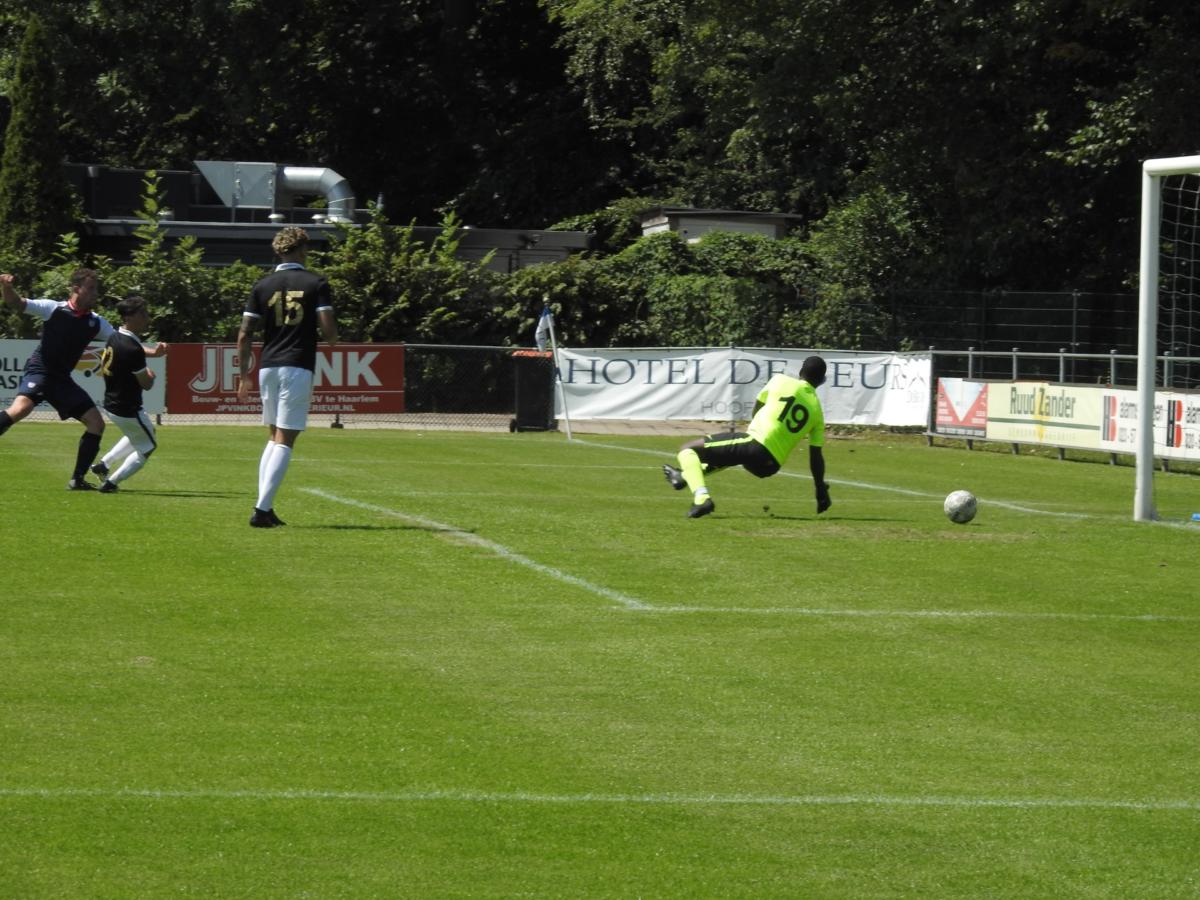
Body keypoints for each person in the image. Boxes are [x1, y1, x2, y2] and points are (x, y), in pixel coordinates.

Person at [236, 226, 338, 528]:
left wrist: (244, 375)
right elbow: (328, 328)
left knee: (273, 435)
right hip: (297, 364)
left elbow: (244, 335)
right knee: (286, 437)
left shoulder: (262, 285)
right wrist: (332, 335)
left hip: (267, 366)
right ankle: (262, 509)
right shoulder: (316, 282)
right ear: (302, 250)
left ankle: (264, 507)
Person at [663, 355, 832, 519]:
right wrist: (820, 489)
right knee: (730, 455)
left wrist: (756, 430)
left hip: (756, 444)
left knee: (688, 450)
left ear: (801, 371)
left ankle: (702, 499)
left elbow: (758, 407)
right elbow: (816, 456)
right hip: (771, 466)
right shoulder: (817, 412)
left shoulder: (781, 380)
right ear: (822, 380)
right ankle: (683, 477)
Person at [0, 268, 116, 489]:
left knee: (96, 423)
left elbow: (122, 342)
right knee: (19, 410)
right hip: (41, 372)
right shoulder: (53, 309)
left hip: (62, 380)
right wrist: (7, 287)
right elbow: (17, 303)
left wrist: (150, 352)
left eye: (96, 289)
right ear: (76, 289)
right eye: (91, 289)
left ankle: (77, 480)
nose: (95, 294)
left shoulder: (96, 322)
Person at [90, 296, 168, 492]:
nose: (147, 318)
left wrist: (154, 353)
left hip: (112, 404)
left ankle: (104, 465)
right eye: (143, 314)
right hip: (127, 407)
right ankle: (110, 483)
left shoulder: (116, 336)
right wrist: (151, 374)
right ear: (130, 317)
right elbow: (147, 384)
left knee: (141, 434)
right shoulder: (131, 349)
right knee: (147, 448)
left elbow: (134, 349)